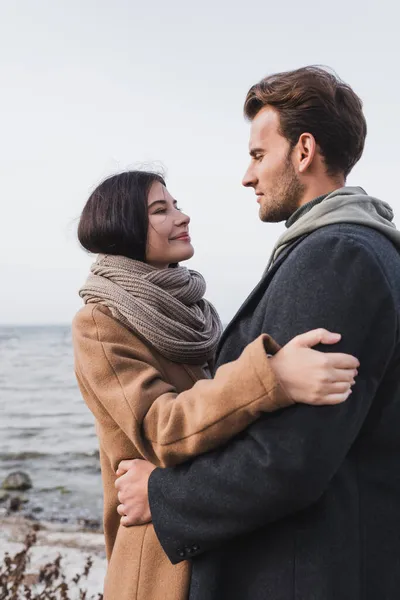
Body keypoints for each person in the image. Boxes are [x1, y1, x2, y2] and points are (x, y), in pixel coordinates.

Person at [116, 67, 400, 600]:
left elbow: (290, 458)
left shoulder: (335, 258)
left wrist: (163, 495)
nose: (248, 177)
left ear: (304, 150)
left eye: (257, 155)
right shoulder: (353, 250)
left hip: (302, 575)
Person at [72, 169, 358, 600]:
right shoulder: (99, 323)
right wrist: (271, 375)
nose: (182, 217)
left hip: (213, 537)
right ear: (123, 227)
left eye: (176, 205)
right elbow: (161, 427)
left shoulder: (194, 311)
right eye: (160, 210)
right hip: (161, 560)